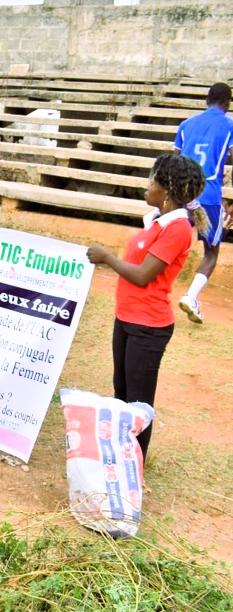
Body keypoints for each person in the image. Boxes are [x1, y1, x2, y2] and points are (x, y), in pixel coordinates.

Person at [86, 154, 207, 460]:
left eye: (151, 182)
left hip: (148, 326)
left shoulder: (178, 228)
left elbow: (142, 276)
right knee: (122, 393)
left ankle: (135, 465)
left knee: (138, 403)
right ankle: (119, 457)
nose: (146, 187)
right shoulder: (158, 222)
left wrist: (107, 258)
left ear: (166, 190)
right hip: (127, 317)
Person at [174, 82, 233, 324]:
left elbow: (174, 163)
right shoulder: (229, 125)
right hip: (207, 197)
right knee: (210, 252)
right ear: (227, 104)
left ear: (207, 100)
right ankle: (190, 296)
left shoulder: (186, 125)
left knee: (170, 240)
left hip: (181, 195)